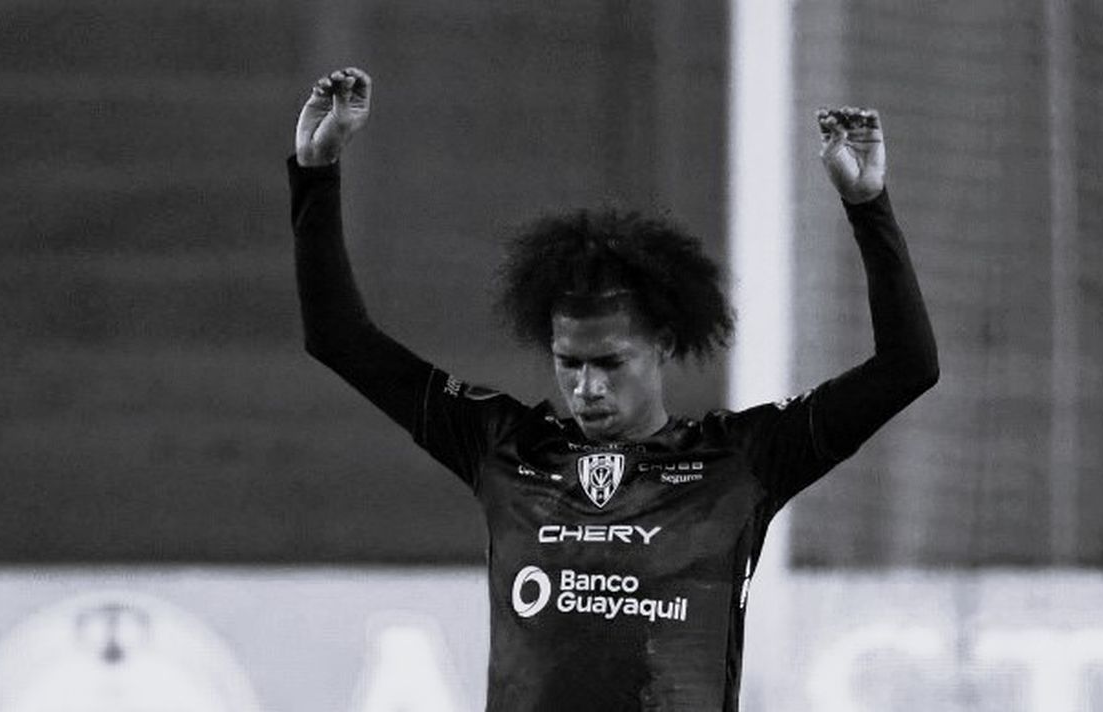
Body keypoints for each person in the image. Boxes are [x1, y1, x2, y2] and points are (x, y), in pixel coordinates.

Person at [289, 67, 938, 712]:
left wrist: (868, 208)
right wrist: (317, 172)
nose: (586, 386)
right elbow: (339, 339)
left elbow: (907, 366)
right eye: (568, 363)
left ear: (662, 344)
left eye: (609, 363)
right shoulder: (504, 445)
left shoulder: (742, 460)